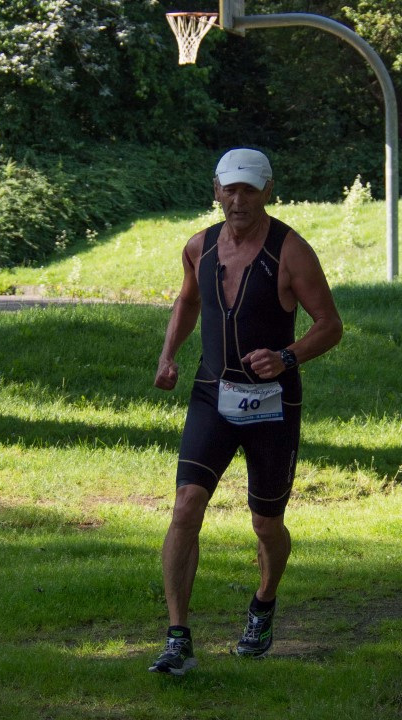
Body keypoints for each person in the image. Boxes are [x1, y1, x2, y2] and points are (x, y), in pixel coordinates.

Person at [148, 148, 343, 676]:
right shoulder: (199, 247)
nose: (239, 200)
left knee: (266, 524)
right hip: (212, 393)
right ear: (216, 190)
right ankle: (177, 638)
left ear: (267, 191)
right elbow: (189, 301)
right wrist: (168, 355)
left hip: (272, 404)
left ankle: (263, 601)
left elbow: (329, 324)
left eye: (249, 190)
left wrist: (286, 357)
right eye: (230, 190)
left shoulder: (291, 251)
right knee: (186, 506)